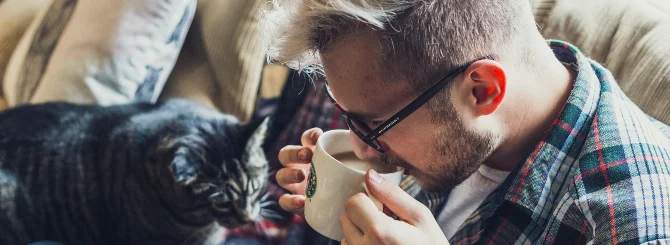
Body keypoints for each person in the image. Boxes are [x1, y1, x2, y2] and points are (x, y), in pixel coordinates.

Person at [261, 0, 670, 244]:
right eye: (348, 116)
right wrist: (334, 212)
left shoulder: (631, 221)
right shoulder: (434, 110)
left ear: (483, 91)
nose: (361, 148)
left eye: (373, 126)